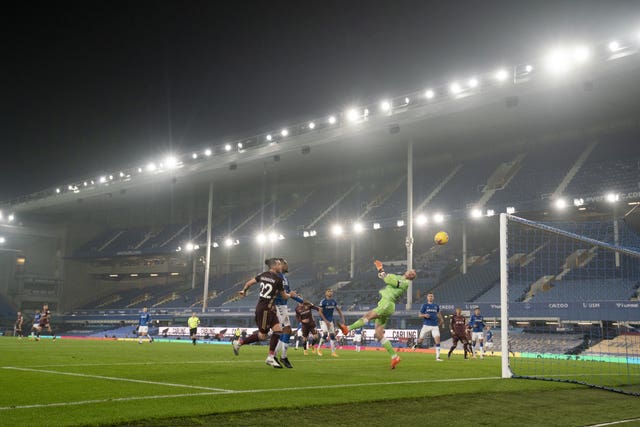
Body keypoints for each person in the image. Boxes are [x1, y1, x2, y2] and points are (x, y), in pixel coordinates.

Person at [340, 260, 416, 369]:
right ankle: (394, 357)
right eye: (411, 271)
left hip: (388, 303)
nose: (411, 273)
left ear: (411, 278)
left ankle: (347, 329)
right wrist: (380, 270)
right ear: (407, 271)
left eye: (413, 274)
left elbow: (388, 279)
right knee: (379, 334)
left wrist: (381, 270)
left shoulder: (405, 283)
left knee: (367, 316)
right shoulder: (397, 276)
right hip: (384, 303)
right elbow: (383, 276)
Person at [232, 258, 297, 368]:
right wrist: (292, 295)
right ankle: (239, 343)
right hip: (265, 310)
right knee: (262, 336)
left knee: (278, 331)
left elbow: (249, 283)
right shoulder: (278, 279)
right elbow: (284, 296)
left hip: (269, 309)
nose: (281, 266)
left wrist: (244, 290)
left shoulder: (263, 274)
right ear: (274, 266)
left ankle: (270, 357)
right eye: (279, 264)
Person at [273, 258, 304, 368]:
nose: (287, 265)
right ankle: (282, 357)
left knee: (285, 331)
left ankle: (277, 356)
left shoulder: (285, 278)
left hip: (283, 306)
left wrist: (302, 301)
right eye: (285, 263)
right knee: (285, 330)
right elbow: (281, 293)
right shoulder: (277, 276)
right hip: (277, 306)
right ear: (280, 265)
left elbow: (290, 293)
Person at [414, 292, 444, 361]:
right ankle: (416, 343)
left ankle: (438, 357)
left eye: (431, 296)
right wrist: (424, 315)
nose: (430, 297)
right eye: (429, 296)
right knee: (420, 340)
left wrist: (441, 319)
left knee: (437, 340)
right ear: (427, 298)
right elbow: (419, 315)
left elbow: (438, 313)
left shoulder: (436, 306)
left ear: (433, 298)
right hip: (426, 325)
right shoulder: (424, 305)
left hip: (435, 325)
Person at [317, 289, 346, 357]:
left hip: (330, 320)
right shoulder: (323, 302)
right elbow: (320, 312)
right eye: (329, 291)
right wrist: (325, 321)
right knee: (325, 334)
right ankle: (318, 349)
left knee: (332, 336)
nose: (330, 292)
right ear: (326, 293)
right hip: (323, 320)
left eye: (331, 291)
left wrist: (342, 318)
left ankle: (333, 352)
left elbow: (338, 310)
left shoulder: (334, 301)